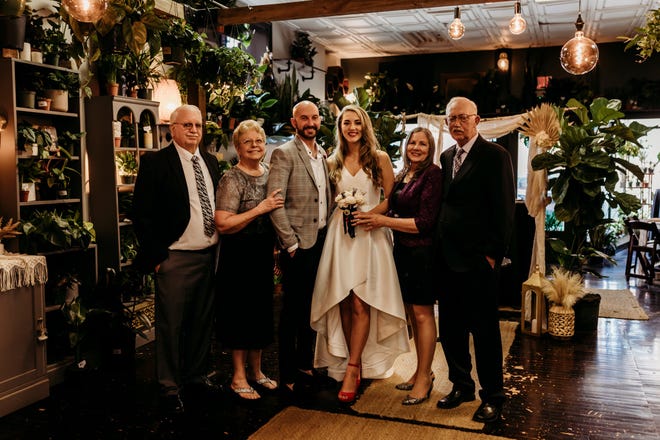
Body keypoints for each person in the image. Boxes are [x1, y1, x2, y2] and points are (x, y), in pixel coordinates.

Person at [311, 105, 409, 404]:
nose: (351, 127)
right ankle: (348, 357)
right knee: (341, 298)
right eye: (345, 123)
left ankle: (353, 368)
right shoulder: (332, 161)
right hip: (340, 239)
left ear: (364, 126)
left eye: (356, 122)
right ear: (340, 127)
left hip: (370, 237)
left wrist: (370, 215)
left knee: (360, 300)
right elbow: (326, 200)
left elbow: (392, 199)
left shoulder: (378, 159)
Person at [133, 104, 222, 414]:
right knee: (171, 326)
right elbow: (141, 215)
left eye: (197, 125)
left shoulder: (210, 162)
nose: (194, 130)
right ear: (172, 129)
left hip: (208, 256)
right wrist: (159, 259)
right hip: (174, 258)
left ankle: (196, 376)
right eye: (186, 125)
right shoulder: (156, 163)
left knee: (201, 323)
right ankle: (169, 386)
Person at [434, 97, 515, 423]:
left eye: (462, 118)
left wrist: (492, 255)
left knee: (485, 333)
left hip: (480, 262)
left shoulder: (496, 155)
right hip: (447, 260)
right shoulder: (447, 155)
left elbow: (505, 211)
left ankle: (493, 396)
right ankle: (461, 385)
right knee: (451, 330)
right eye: (451, 118)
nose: (456, 123)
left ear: (477, 120)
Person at [354, 127, 442, 406]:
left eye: (423, 144)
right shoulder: (405, 173)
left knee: (423, 314)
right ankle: (420, 370)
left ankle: (426, 378)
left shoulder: (433, 174)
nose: (416, 147)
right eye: (412, 143)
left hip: (423, 254)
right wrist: (364, 215)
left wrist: (382, 222)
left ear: (431, 149)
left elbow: (424, 222)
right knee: (412, 316)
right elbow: (391, 205)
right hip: (402, 252)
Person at [215, 120, 284, 400]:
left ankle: (256, 372)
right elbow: (223, 223)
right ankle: (238, 377)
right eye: (248, 142)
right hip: (238, 257)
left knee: (260, 315)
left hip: (262, 255)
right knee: (239, 317)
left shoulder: (269, 173)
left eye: (259, 140)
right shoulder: (232, 178)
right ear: (237, 147)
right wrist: (260, 208)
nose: (255, 146)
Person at [267, 100, 333, 394]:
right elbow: (275, 203)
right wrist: (290, 244)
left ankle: (306, 364)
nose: (310, 122)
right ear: (294, 123)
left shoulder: (323, 154)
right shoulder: (284, 153)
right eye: (303, 118)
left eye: (314, 117)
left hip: (321, 242)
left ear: (320, 121)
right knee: (292, 312)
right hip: (298, 245)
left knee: (313, 307)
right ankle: (288, 374)